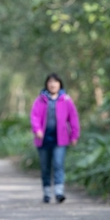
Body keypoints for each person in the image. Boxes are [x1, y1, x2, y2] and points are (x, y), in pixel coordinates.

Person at [30, 73, 80, 203]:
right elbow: (34, 116)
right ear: (47, 84)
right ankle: (46, 193)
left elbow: (73, 118)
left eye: (55, 82)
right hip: (43, 139)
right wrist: (37, 130)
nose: (53, 84)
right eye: (50, 82)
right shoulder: (40, 100)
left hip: (61, 138)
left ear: (60, 84)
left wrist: (74, 135)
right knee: (45, 166)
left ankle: (59, 192)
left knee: (58, 164)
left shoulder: (66, 100)